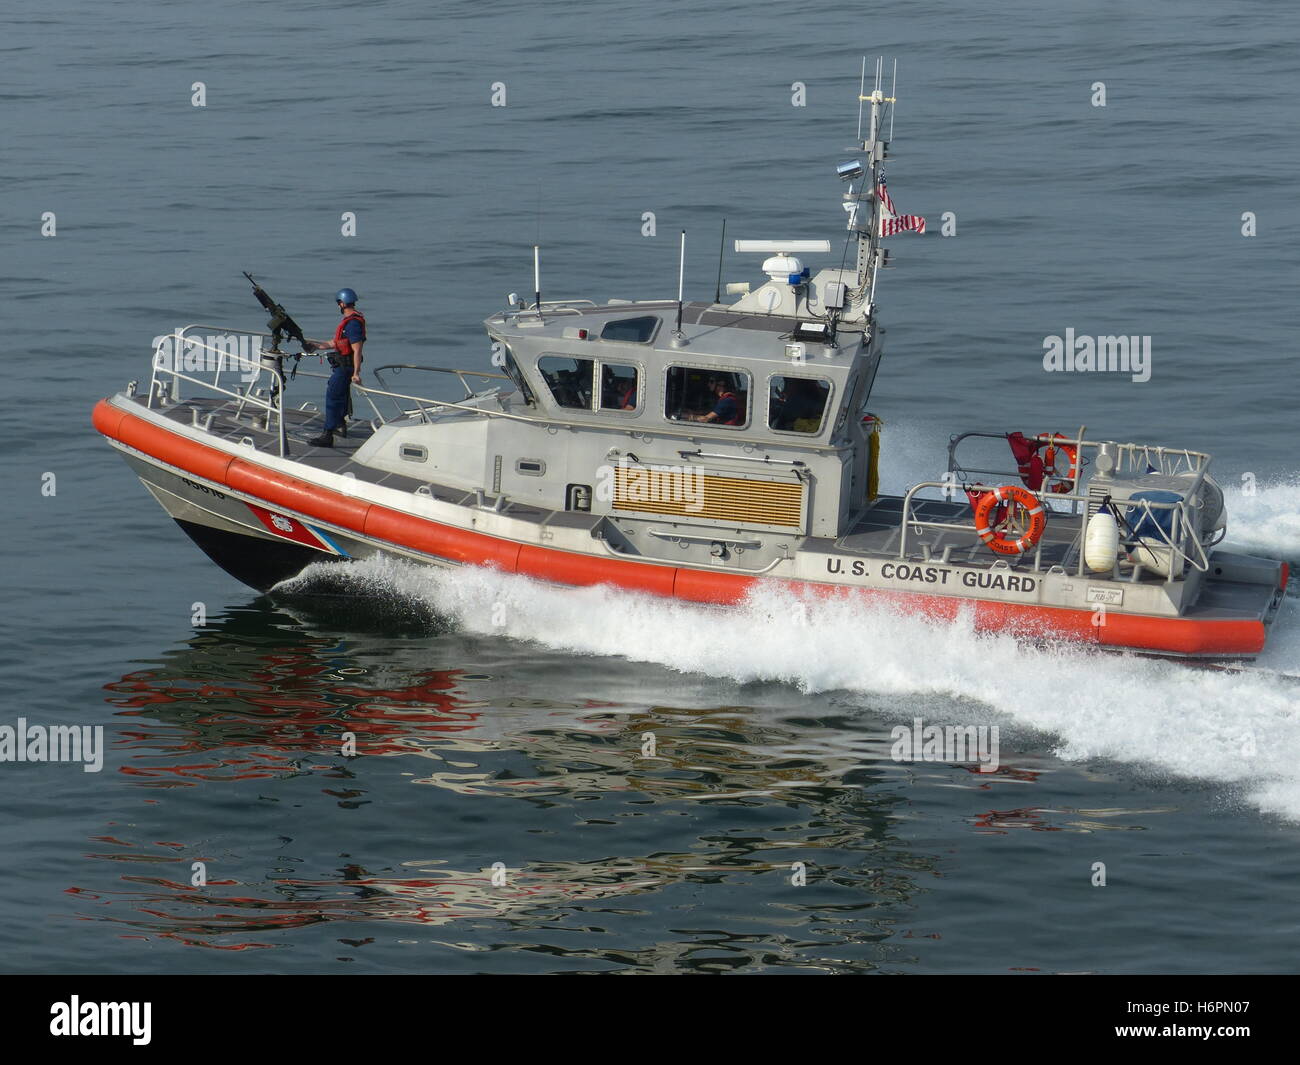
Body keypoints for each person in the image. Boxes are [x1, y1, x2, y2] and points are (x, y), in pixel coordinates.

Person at [305, 287, 366, 447]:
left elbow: (357, 349)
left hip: (345, 367)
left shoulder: (352, 324)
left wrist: (356, 372)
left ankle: (328, 435)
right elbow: (336, 343)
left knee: (333, 397)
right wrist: (317, 346)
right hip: (342, 365)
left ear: (341, 303)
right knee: (340, 395)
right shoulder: (349, 322)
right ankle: (340, 425)